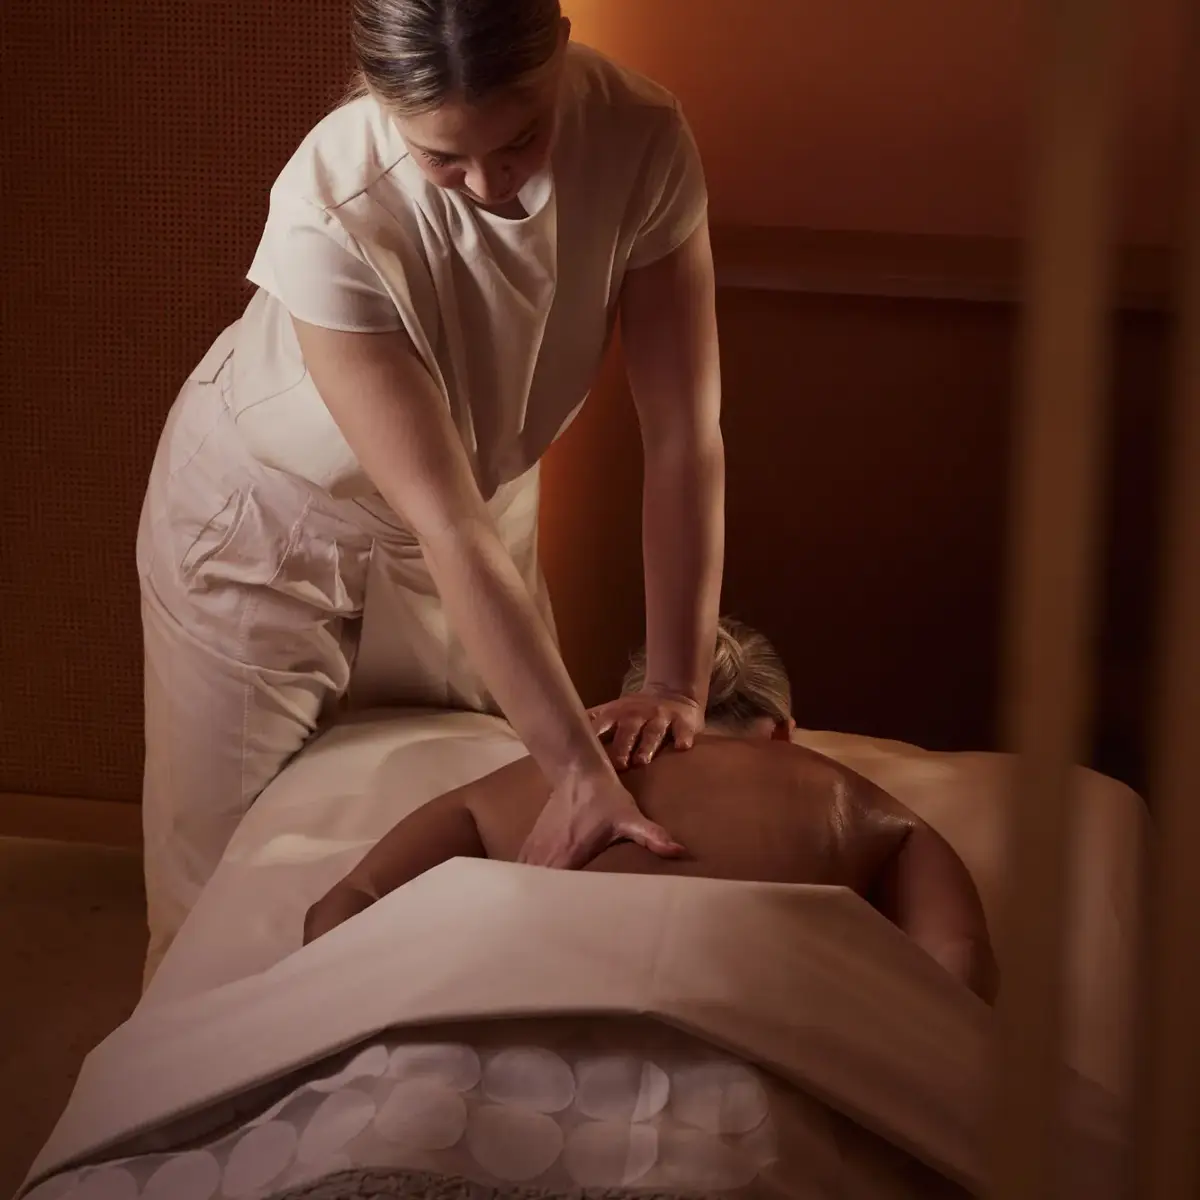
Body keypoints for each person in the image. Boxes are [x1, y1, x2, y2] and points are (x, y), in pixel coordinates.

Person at [136, 0, 725, 979]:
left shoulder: (641, 134)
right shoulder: (333, 207)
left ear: (563, 50)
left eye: (522, 136)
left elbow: (683, 437)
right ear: (379, 99)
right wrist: (578, 768)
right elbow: (439, 520)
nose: (491, 183)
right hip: (267, 523)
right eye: (445, 160)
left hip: (479, 505)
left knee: (473, 814)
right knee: (225, 900)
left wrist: (676, 681)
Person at [304, 619, 1000, 1004]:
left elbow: (342, 907)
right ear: (784, 730)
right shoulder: (849, 796)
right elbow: (957, 966)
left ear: (616, 714)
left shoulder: (513, 787)